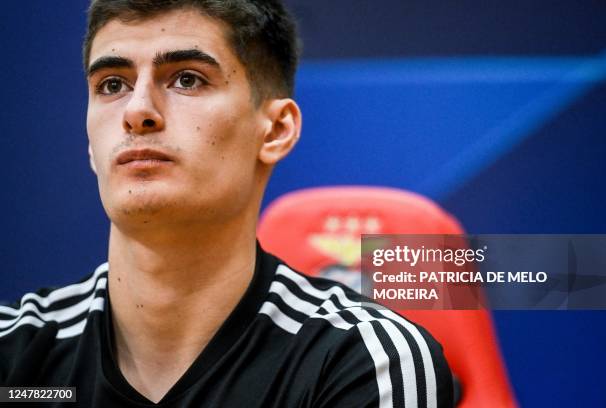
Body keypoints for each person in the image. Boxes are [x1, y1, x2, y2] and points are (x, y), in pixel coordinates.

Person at [0, 0, 453, 406]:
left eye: (186, 79)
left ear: (275, 130)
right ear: (90, 144)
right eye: (112, 84)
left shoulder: (362, 358)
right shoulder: (14, 351)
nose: (136, 111)